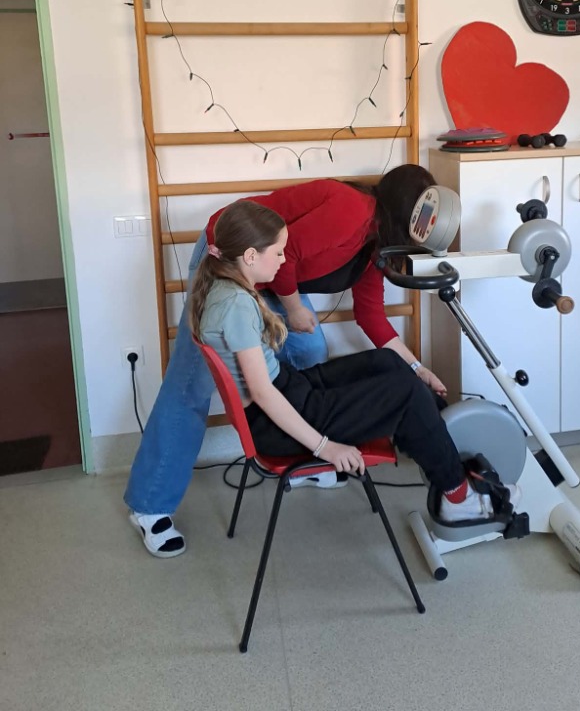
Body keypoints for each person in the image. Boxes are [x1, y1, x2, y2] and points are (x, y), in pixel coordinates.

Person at [125, 164, 449, 557]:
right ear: (401, 214)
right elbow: (288, 252)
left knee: (310, 351)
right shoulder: (351, 210)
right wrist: (294, 309)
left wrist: (417, 368)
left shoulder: (375, 245)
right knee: (190, 383)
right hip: (235, 261)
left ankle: (302, 452)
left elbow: (372, 316)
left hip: (271, 270)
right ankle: (150, 505)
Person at [189, 200, 495, 531]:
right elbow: (263, 394)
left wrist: (418, 368)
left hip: (288, 391)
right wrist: (326, 448)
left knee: (387, 362)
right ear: (250, 256)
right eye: (277, 252)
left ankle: (440, 445)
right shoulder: (235, 305)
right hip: (275, 425)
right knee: (406, 393)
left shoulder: (225, 286)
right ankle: (458, 499)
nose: (283, 259)